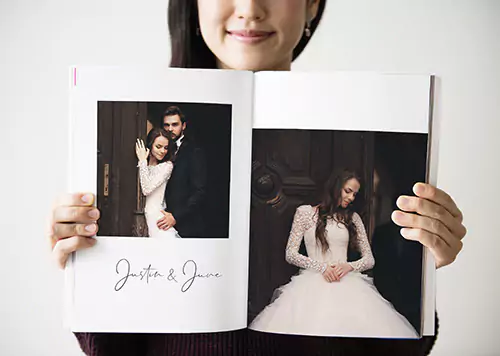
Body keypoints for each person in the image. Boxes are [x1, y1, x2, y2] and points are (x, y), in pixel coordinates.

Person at [50, 0, 467, 355]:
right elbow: (107, 348)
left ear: (312, 4)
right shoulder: (167, 135)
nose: (250, 9)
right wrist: (83, 265)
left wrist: (423, 263)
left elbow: (402, 346)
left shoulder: (378, 130)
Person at [249, 170, 418, 337]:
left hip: (346, 282)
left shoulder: (352, 218)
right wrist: (322, 268)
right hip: (310, 284)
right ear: (335, 187)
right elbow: (290, 254)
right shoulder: (305, 213)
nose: (351, 198)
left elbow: (369, 259)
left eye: (354, 194)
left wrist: (348, 266)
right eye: (348, 191)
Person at [158, 106, 207, 238]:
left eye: (175, 124)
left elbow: (200, 191)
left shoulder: (194, 151)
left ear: (183, 126)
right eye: (166, 125)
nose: (170, 129)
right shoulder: (159, 151)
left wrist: (176, 216)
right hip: (161, 222)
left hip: (187, 226)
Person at [135, 128, 179, 239]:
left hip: (158, 219)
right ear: (150, 145)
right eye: (158, 147)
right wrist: (144, 162)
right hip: (145, 219)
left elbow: (147, 189)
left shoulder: (167, 166)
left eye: (165, 148)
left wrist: (142, 161)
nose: (162, 151)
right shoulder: (145, 166)